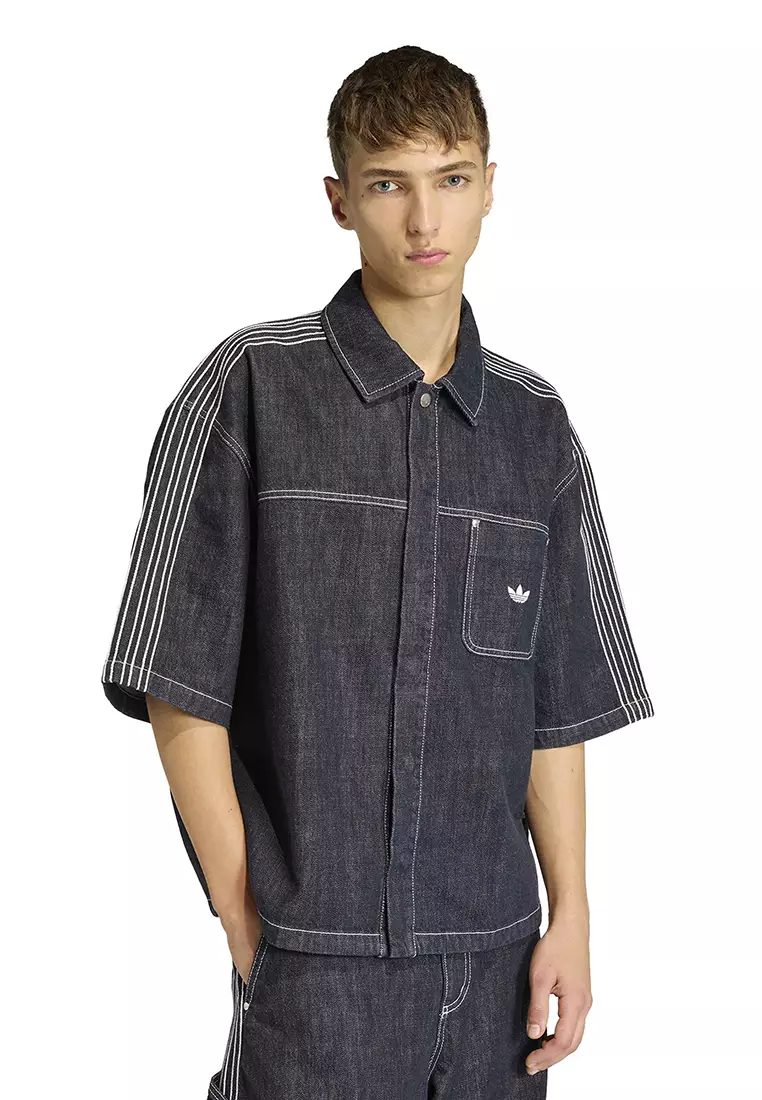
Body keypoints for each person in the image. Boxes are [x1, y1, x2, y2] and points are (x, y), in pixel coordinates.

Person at [100, 44, 655, 1099]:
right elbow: (179, 683)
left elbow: (553, 708)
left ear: (490, 187)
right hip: (315, 962)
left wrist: (572, 915)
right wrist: (245, 916)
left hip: (499, 966)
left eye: (451, 179)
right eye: (389, 184)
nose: (425, 220)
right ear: (339, 200)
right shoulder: (251, 388)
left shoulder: (534, 428)